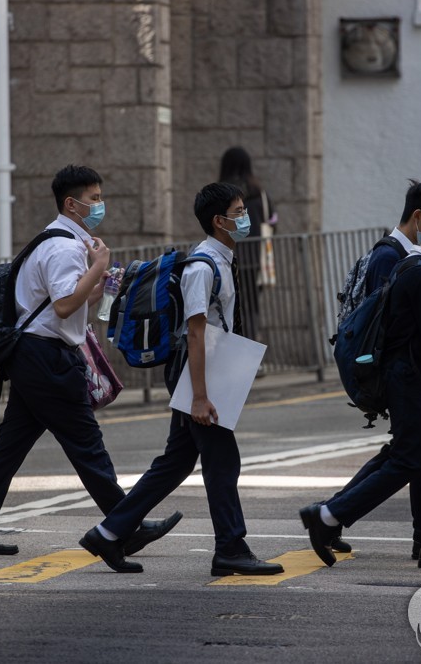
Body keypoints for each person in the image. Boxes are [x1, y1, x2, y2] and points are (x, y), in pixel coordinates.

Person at [0, 165, 180, 557]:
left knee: (10, 445)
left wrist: (101, 281)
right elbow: (62, 306)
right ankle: (124, 526)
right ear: (71, 204)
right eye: (93, 199)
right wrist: (95, 268)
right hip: (47, 359)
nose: (99, 205)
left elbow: (77, 304)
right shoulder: (64, 247)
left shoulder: (58, 240)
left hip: (34, 355)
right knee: (86, 445)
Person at [80, 182, 284, 576]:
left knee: (176, 461)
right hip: (193, 372)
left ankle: (108, 533)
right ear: (218, 221)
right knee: (222, 459)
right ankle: (230, 547)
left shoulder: (222, 258)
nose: (246, 218)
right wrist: (199, 398)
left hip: (200, 370)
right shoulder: (202, 266)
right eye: (239, 212)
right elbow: (194, 331)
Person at [301, 203, 421, 569]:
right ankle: (327, 516)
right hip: (410, 379)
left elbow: (412, 322)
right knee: (406, 460)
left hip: (418, 379)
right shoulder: (420, 272)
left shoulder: (413, 267)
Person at [218, 146, 276, 343]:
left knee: (228, 308)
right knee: (251, 308)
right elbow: (273, 220)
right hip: (255, 259)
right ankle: (251, 359)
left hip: (226, 258)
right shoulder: (259, 192)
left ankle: (233, 357)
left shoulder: (220, 192)